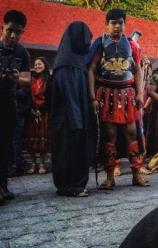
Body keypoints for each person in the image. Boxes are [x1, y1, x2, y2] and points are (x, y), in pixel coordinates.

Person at [88, 9, 148, 189]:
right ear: (106, 24)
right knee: (110, 135)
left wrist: (139, 93)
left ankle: (136, 174)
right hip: (107, 94)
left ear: (124, 24)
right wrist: (92, 97)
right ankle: (110, 177)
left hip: (128, 93)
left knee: (132, 133)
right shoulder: (99, 43)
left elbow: (137, 69)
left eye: (120, 23)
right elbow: (91, 68)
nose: (116, 26)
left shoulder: (132, 45)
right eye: (113, 23)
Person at [50, 21, 94, 197]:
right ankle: (69, 186)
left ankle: (75, 184)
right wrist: (76, 121)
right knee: (68, 150)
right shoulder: (67, 64)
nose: (88, 43)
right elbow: (68, 95)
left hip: (76, 117)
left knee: (74, 150)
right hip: (69, 119)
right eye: (86, 39)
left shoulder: (74, 60)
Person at [0, 10, 31, 204]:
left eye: (18, 32)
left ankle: (3, 185)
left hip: (9, 102)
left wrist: (14, 77)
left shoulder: (22, 52)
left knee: (5, 145)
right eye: (10, 30)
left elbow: (27, 78)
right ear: (2, 27)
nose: (13, 36)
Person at [24, 57, 51, 174]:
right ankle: (33, 164)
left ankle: (42, 164)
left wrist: (42, 109)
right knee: (31, 140)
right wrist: (32, 109)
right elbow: (27, 95)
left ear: (45, 65)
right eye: (35, 64)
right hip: (32, 112)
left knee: (43, 141)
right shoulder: (31, 79)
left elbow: (50, 97)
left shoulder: (49, 80)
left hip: (44, 112)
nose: (37, 66)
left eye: (39, 64)